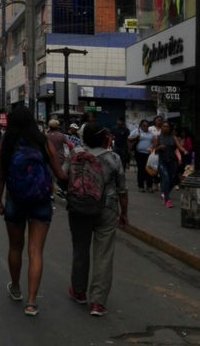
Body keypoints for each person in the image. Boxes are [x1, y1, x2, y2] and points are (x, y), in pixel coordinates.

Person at [0, 105, 66, 316]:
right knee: (36, 251)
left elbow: (0, 175)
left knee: (15, 247)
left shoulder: (8, 143)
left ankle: (16, 288)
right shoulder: (43, 142)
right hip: (41, 201)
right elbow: (59, 174)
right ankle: (32, 302)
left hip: (15, 200)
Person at [66, 122, 128, 317]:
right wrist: (124, 212)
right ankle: (98, 302)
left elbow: (62, 173)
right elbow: (122, 189)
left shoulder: (75, 154)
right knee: (104, 254)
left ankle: (79, 291)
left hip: (79, 207)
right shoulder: (113, 158)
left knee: (80, 248)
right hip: (107, 207)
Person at [153, 121, 186, 208]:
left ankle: (165, 192)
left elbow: (179, 147)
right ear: (161, 128)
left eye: (167, 126)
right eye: (164, 126)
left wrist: (184, 151)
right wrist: (159, 147)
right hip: (162, 161)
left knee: (172, 180)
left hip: (172, 161)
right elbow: (154, 151)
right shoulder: (157, 138)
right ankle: (167, 200)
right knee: (166, 179)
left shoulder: (174, 137)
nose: (165, 128)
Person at [127, 119, 155, 192]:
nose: (145, 127)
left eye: (147, 126)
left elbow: (154, 142)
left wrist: (153, 147)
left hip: (149, 154)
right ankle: (141, 186)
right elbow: (128, 139)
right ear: (141, 126)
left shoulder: (151, 133)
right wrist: (136, 137)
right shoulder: (137, 131)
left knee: (149, 170)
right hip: (139, 153)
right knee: (141, 169)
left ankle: (149, 186)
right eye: (144, 125)